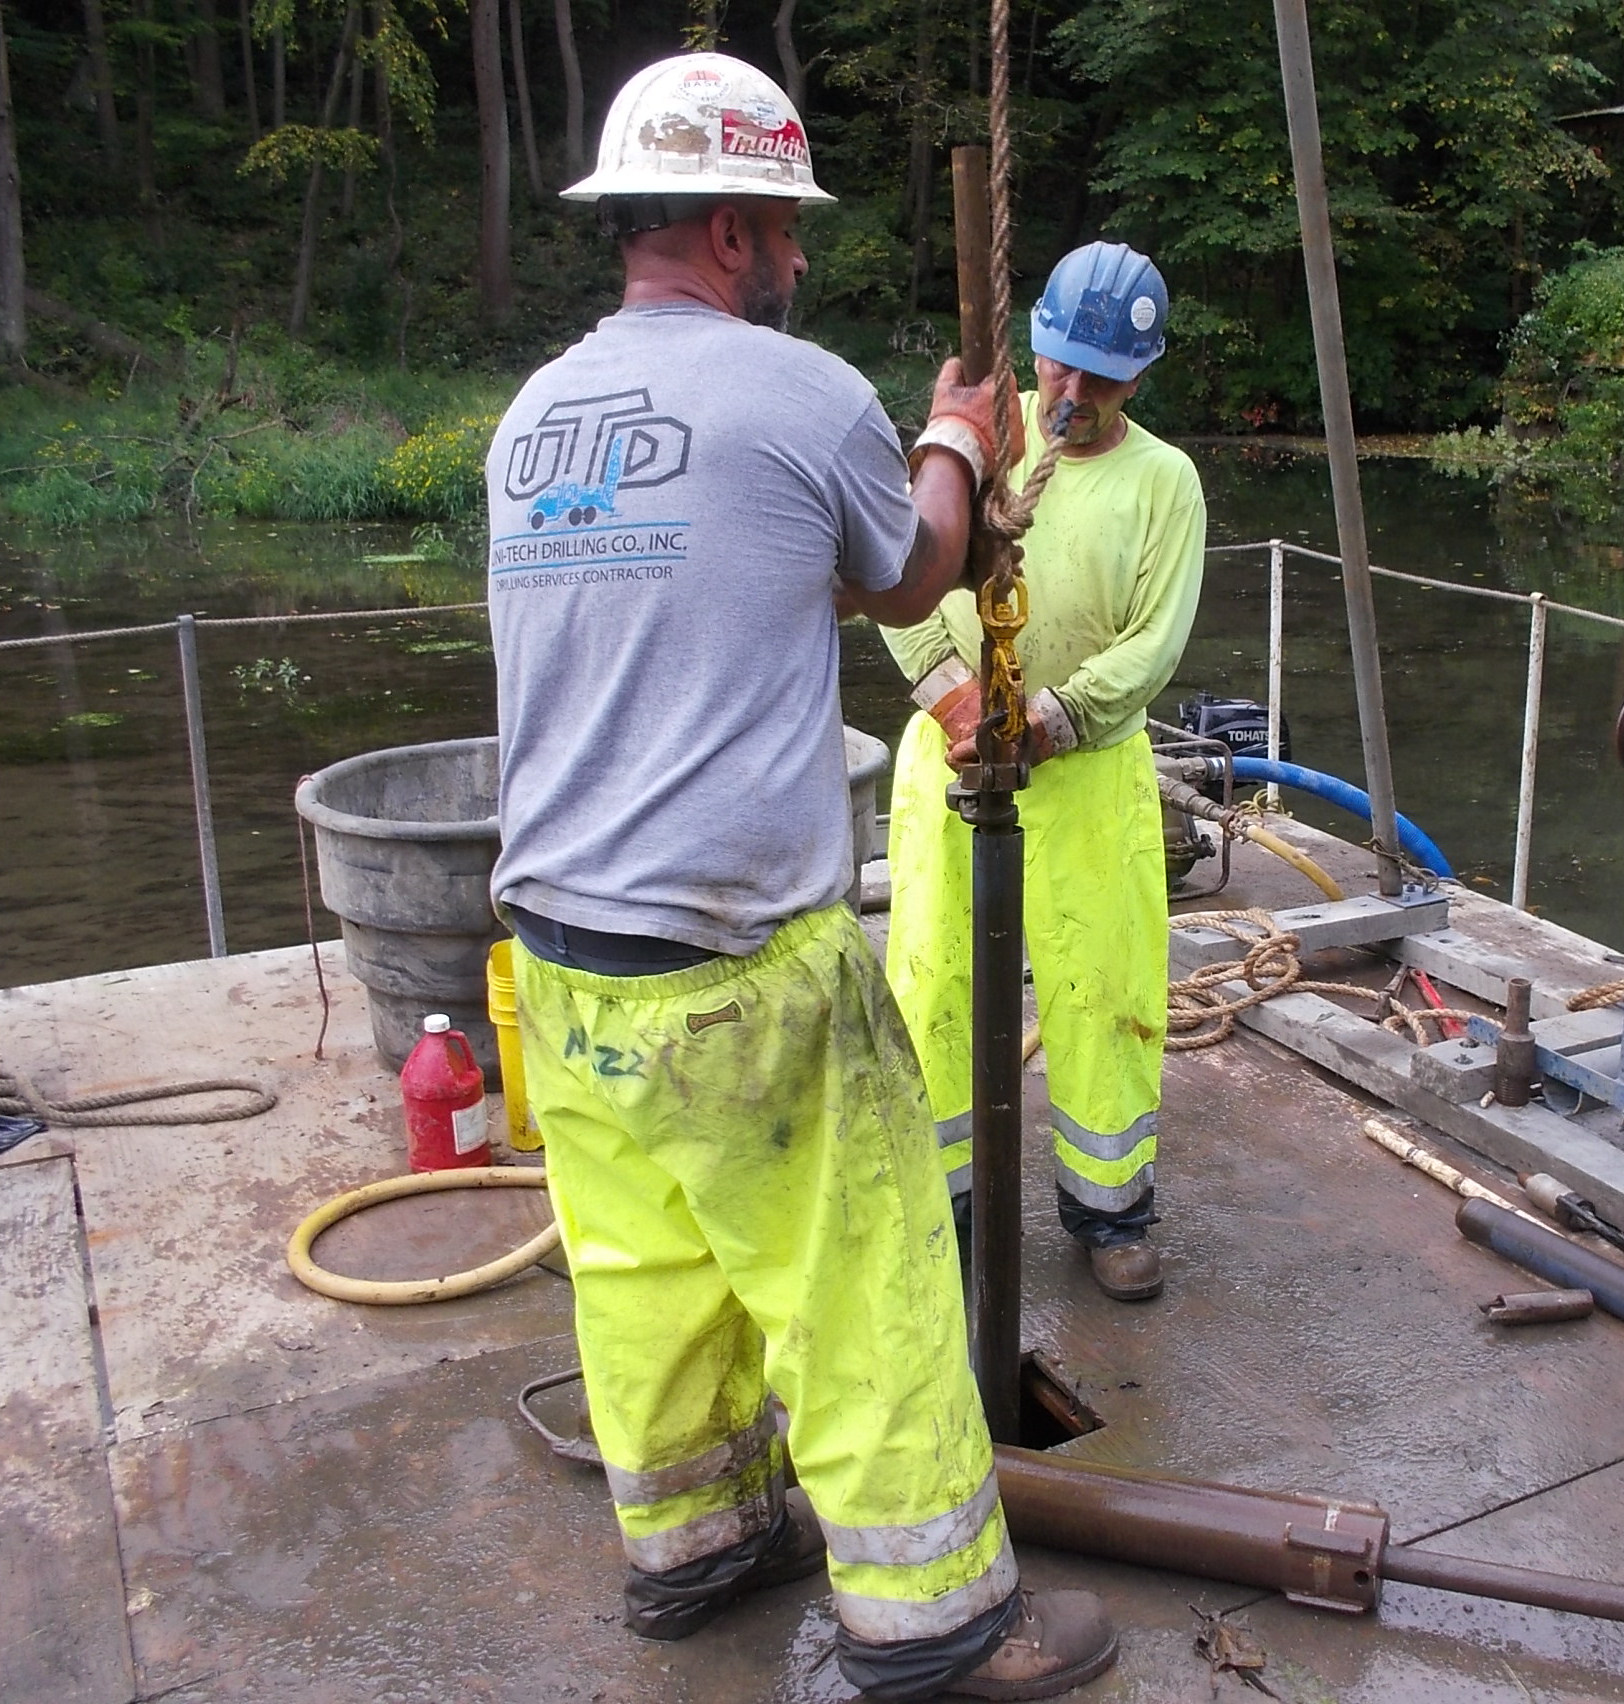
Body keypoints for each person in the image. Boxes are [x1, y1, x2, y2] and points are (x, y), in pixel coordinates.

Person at [486, 53, 1115, 1702]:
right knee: (864, 1276)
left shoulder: (536, 417)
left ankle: (689, 1545)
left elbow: (763, 577)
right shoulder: (800, 390)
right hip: (733, 960)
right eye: (780, 226)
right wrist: (954, 439)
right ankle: (939, 1621)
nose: (797, 258)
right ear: (721, 222)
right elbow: (910, 562)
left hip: (562, 958)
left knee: (643, 1271)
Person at [882, 242, 1207, 1303]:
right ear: (1034, 348)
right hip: (955, 759)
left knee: (1104, 990)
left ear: (1140, 377)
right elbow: (903, 576)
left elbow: (1153, 645)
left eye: (1102, 378)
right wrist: (954, 699)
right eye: (1060, 367)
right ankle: (946, 1208)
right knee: (934, 981)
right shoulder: (977, 446)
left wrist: (1055, 721)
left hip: (1089, 774)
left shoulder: (1164, 484)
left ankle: (1109, 1210)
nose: (1072, 394)